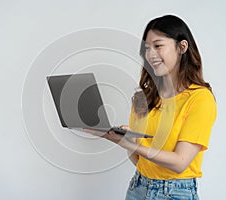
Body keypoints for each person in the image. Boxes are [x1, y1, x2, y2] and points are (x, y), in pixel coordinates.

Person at [84, 14, 217, 200]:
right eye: (147, 48)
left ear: (182, 47)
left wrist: (133, 145)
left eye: (158, 46)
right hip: (138, 187)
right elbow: (138, 160)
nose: (150, 54)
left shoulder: (200, 99)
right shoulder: (142, 98)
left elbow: (180, 162)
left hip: (175, 193)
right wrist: (114, 137)